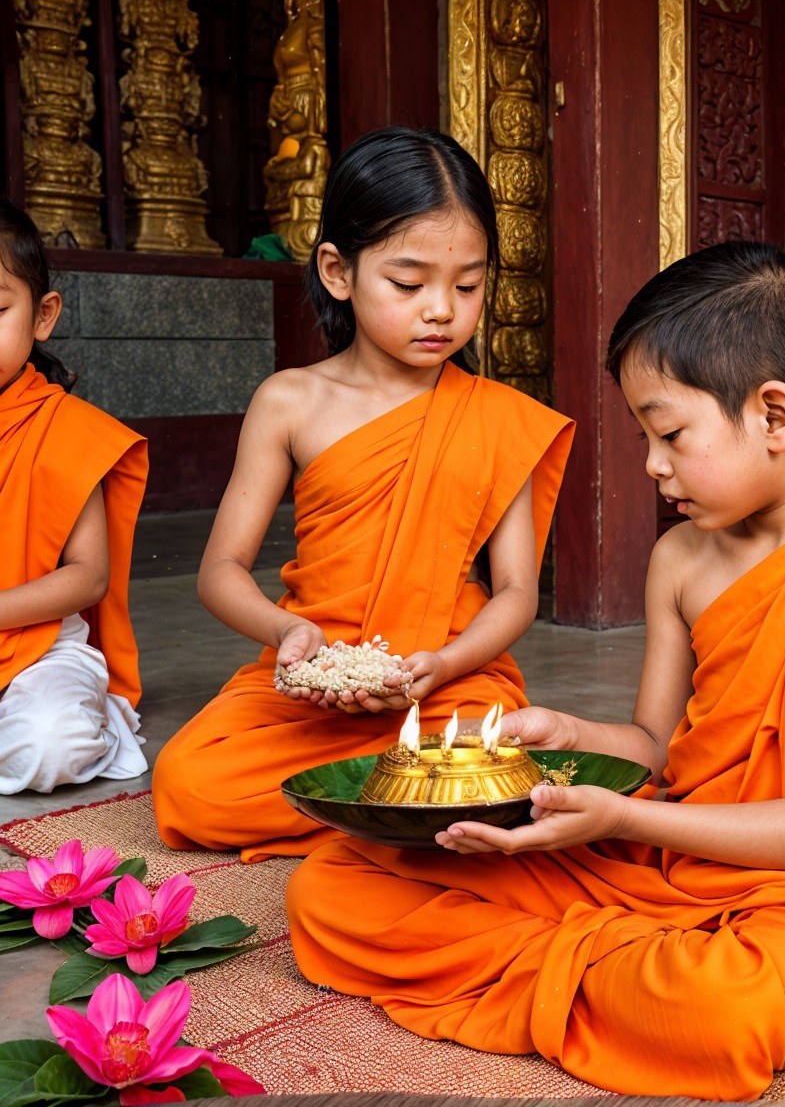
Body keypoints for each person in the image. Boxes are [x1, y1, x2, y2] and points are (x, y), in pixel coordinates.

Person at [285, 242, 785, 1100]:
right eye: (646, 437)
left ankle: (603, 968)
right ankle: (620, 972)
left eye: (671, 433)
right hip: (660, 860)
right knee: (331, 886)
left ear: (775, 416)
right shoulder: (681, 559)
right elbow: (652, 743)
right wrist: (567, 735)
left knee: (725, 1009)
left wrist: (616, 821)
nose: (653, 464)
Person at [152, 127, 572, 861]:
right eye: (409, 284)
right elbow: (220, 572)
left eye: (468, 285)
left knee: (491, 762)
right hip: (310, 684)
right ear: (338, 271)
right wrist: (289, 638)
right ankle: (395, 813)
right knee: (191, 786)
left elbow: (514, 593)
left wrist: (441, 665)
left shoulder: (497, 418)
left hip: (446, 680)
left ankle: (369, 804)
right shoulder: (290, 402)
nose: (441, 308)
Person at [0, 200, 147, 795]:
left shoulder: (64, 429)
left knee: (48, 746)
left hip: (43, 644)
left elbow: (87, 579)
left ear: (43, 315)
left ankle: (99, 724)